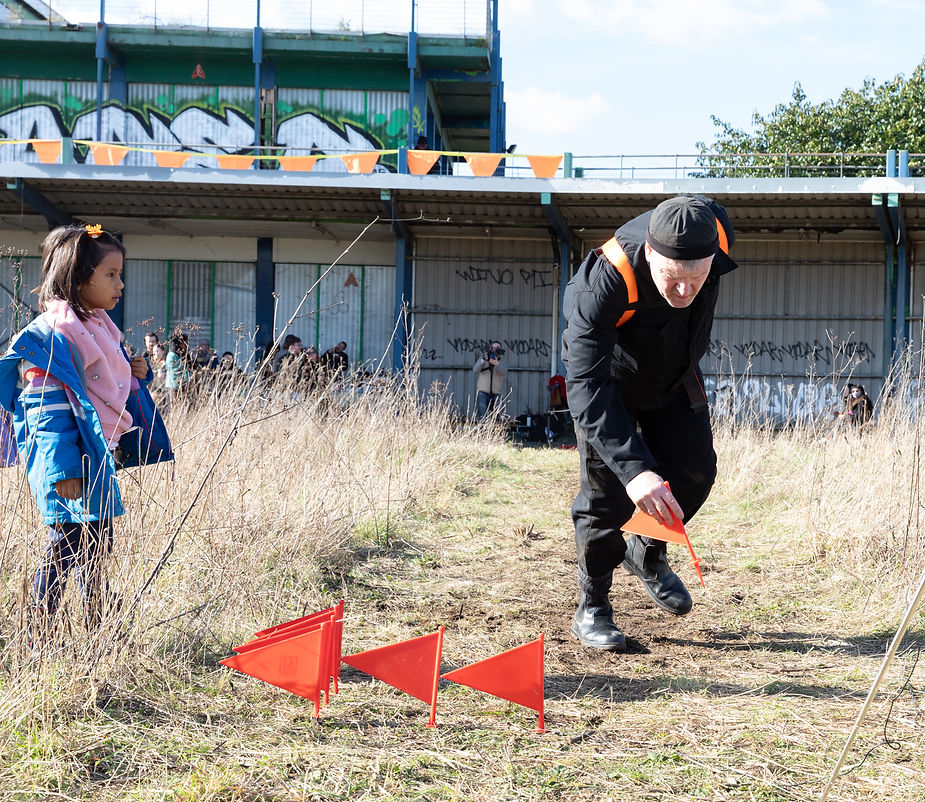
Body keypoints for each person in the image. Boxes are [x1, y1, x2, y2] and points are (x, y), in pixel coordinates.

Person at [562, 194, 738, 652]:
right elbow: (584, 385)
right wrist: (635, 470)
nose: (685, 293)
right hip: (611, 387)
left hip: (675, 377)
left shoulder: (713, 230)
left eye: (697, 280)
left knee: (694, 474)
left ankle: (647, 552)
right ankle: (593, 604)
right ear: (650, 255)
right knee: (607, 499)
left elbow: (703, 203)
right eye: (673, 280)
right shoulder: (602, 282)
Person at [0, 223, 173, 640]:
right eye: (110, 274)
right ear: (79, 279)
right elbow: (46, 410)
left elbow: (105, 387)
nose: (121, 283)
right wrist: (63, 471)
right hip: (68, 461)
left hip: (96, 454)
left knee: (98, 543)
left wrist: (138, 374)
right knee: (66, 547)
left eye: (120, 273)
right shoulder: (54, 335)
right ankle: (37, 633)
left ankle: (99, 628)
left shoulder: (99, 325)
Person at [473, 340, 507, 420]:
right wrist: (483, 360)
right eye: (493, 348)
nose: (494, 350)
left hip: (496, 394)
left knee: (499, 419)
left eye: (497, 348)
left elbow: (502, 372)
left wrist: (497, 364)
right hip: (483, 394)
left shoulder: (502, 362)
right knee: (483, 418)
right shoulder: (483, 359)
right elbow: (475, 370)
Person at [165, 332, 193, 405]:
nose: (187, 345)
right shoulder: (172, 356)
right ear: (180, 343)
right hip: (174, 387)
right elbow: (179, 371)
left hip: (179, 387)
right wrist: (192, 375)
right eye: (186, 343)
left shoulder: (178, 355)